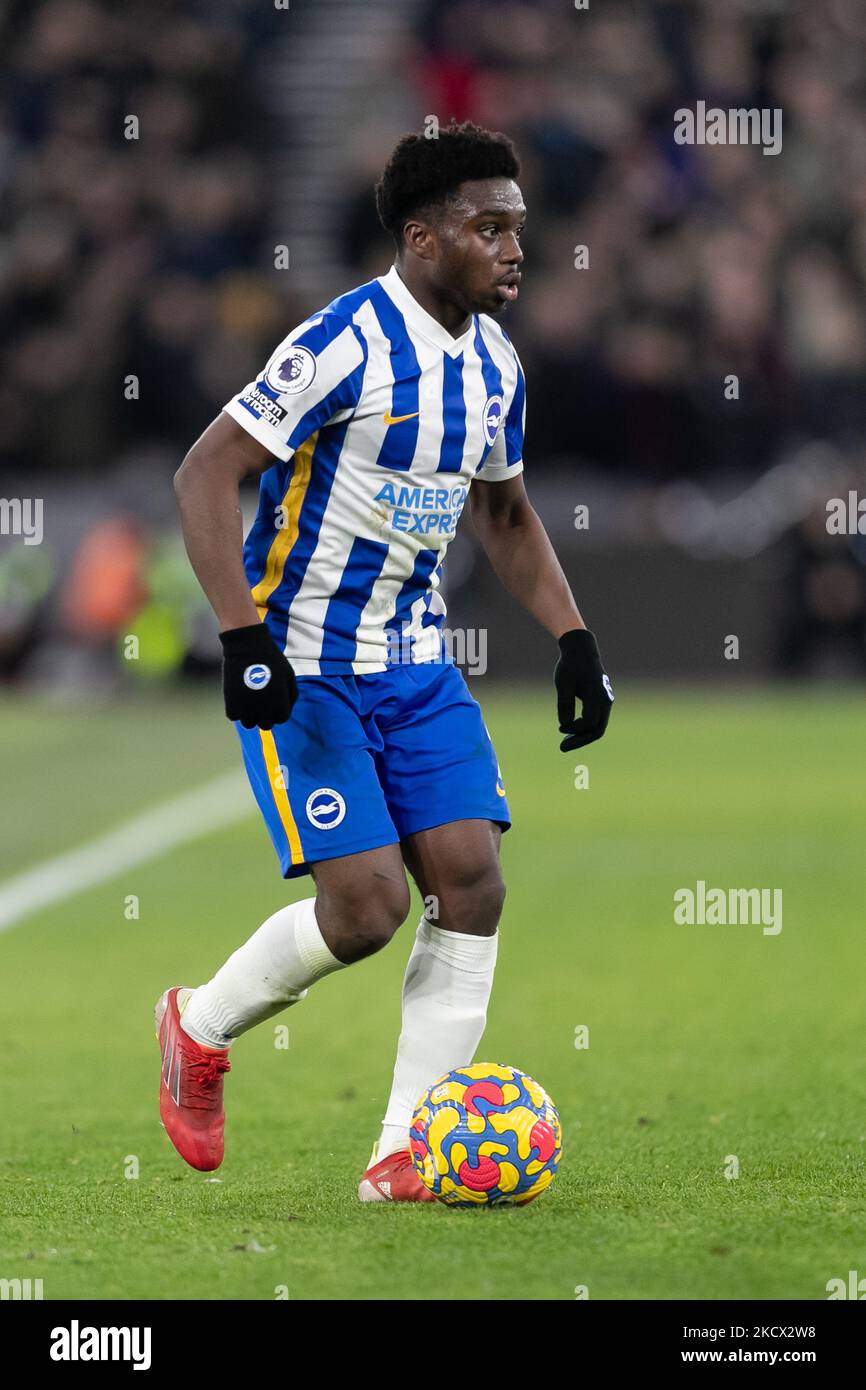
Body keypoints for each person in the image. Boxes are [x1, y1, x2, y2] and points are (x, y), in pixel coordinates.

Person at [159, 121, 613, 1202]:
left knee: (472, 883)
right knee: (365, 910)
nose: (512, 249)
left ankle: (402, 1152)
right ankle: (198, 1025)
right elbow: (202, 474)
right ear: (419, 236)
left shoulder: (494, 365)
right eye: (486, 228)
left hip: (415, 665)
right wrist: (240, 636)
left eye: (517, 228)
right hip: (305, 664)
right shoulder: (340, 346)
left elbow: (502, 514)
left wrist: (574, 639)